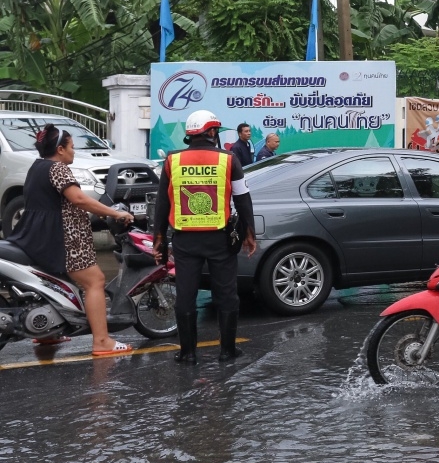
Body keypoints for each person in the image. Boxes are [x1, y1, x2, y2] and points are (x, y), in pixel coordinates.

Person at [9, 124, 135, 355]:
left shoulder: (37, 166)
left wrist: (99, 212)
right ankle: (102, 341)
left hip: (36, 235)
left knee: (55, 282)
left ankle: (48, 332)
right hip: (62, 238)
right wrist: (115, 213)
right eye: (72, 147)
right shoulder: (58, 169)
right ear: (60, 149)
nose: (73, 151)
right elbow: (78, 199)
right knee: (95, 281)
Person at [153, 111, 258, 363]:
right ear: (211, 132)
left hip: (185, 240)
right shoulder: (229, 159)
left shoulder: (172, 160)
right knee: (226, 294)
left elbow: (162, 202)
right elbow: (242, 199)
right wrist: (249, 233)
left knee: (185, 294)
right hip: (220, 240)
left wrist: (158, 237)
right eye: (216, 131)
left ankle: (188, 353)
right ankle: (227, 351)